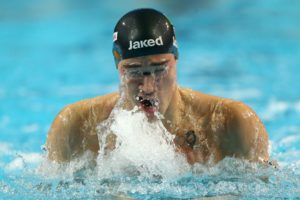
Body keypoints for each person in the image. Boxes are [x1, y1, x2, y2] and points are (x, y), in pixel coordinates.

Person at [46, 8, 270, 165]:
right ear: (118, 67)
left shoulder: (229, 123)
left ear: (176, 59)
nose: (148, 87)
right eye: (133, 70)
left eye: (160, 68)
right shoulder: (75, 127)